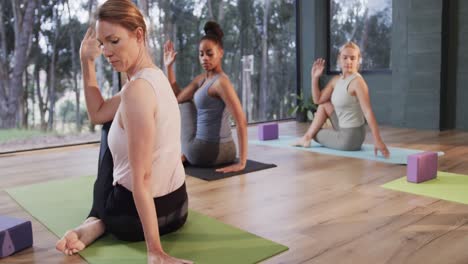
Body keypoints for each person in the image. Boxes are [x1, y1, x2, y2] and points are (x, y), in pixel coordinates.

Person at [55, 1, 192, 263]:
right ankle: (101, 221)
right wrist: (88, 61)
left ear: (138, 35)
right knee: (110, 118)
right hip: (178, 210)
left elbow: (142, 178)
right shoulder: (156, 77)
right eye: (103, 43)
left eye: (114, 41)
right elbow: (98, 110)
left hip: (129, 219)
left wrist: (156, 251)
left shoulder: (135, 91)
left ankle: (99, 219)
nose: (106, 51)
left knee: (109, 127)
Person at [163, 21, 248, 173]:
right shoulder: (202, 79)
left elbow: (241, 120)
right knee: (183, 101)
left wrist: (242, 163)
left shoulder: (221, 82)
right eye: (201, 54)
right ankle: (183, 152)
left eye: (210, 53)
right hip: (229, 152)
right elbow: (177, 97)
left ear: (220, 52)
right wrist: (169, 67)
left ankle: (182, 153)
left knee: (185, 104)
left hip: (204, 153)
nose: (204, 58)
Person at [294, 41, 390, 158]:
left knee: (315, 133)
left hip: (351, 137)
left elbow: (368, 112)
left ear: (358, 60)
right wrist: (314, 78)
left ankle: (307, 137)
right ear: (339, 59)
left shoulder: (358, 83)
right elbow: (318, 100)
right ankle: (306, 137)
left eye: (352, 58)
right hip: (343, 126)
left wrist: (378, 140)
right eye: (345, 58)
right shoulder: (336, 80)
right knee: (324, 105)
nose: (348, 61)